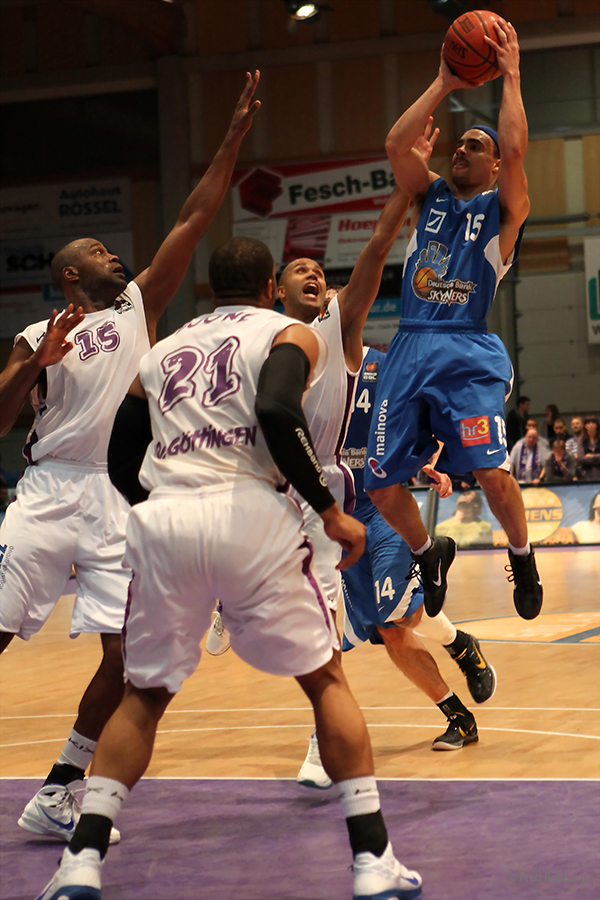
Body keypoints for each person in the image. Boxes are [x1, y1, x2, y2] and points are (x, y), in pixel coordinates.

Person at [35, 236, 423, 900]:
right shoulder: (288, 334)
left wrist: (157, 506)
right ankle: (373, 861)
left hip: (166, 520)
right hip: (249, 510)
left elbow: (122, 453)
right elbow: (276, 410)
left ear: (212, 290)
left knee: (144, 696)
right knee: (325, 679)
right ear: (271, 286)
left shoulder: (159, 352)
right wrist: (329, 509)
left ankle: (80, 862)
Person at [0, 72, 261, 845]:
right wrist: (29, 365)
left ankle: (59, 789)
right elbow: (3, 411)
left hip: (114, 499)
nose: (117, 255)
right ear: (70, 274)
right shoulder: (37, 335)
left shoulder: (138, 306)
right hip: (46, 492)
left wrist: (232, 140)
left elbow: (193, 215)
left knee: (127, 656)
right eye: (99, 250)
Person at [364, 19, 544, 620]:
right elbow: (395, 145)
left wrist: (511, 74)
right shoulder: (430, 196)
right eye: (459, 143)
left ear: (495, 167)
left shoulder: (503, 211)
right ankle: (427, 549)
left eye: (476, 145)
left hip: (465, 350)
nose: (461, 149)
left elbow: (518, 148)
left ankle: (520, 555)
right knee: (382, 485)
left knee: (492, 471)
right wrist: (443, 80)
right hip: (410, 346)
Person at [340, 346, 496, 757]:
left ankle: (438, 580)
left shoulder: (383, 364)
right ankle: (459, 684)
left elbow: (425, 409)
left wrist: (430, 459)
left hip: (381, 511)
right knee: (392, 630)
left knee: (397, 615)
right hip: (336, 524)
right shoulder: (301, 365)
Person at [576, 416, 600, 481]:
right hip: (586, 474)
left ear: (597, 425)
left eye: (593, 422)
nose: (591, 425)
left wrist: (592, 456)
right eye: (588, 423)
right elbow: (581, 458)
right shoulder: (581, 440)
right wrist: (597, 459)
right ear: (585, 426)